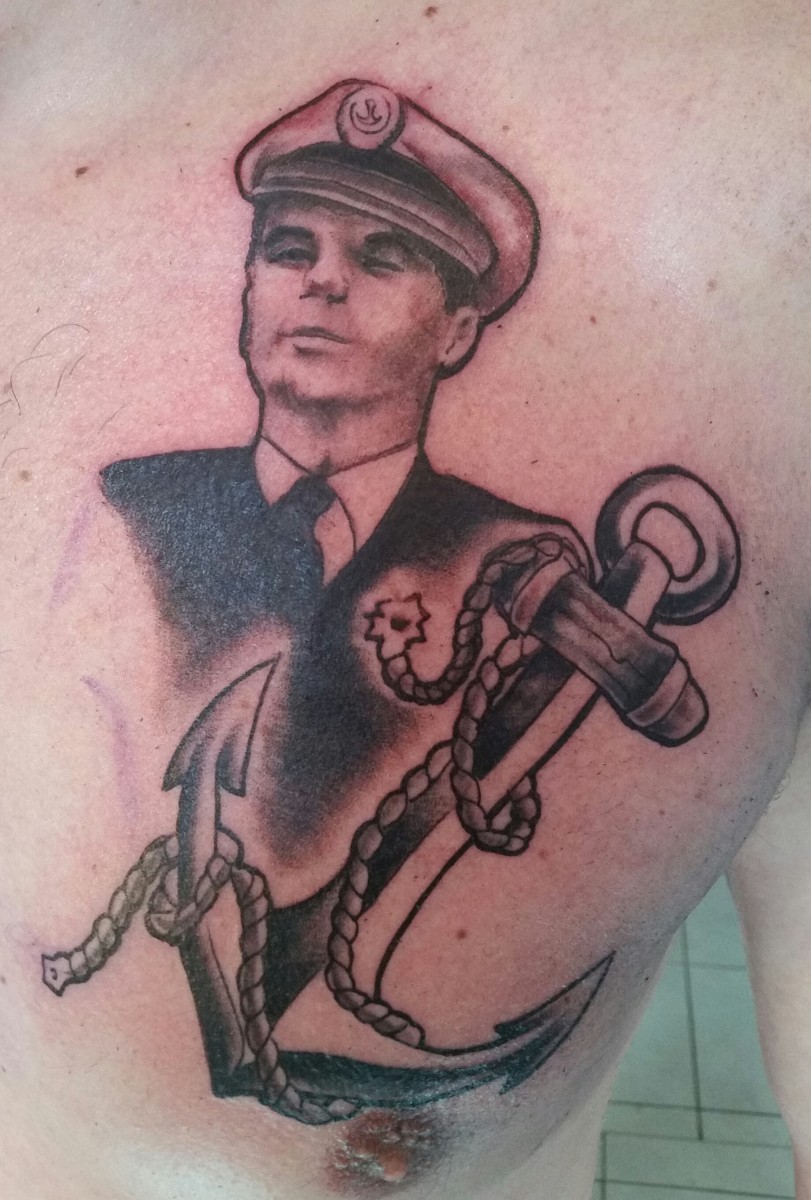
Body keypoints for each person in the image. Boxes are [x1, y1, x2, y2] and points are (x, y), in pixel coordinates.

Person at [3, 5, 811, 1199]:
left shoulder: (770, 148)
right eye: (288, 248)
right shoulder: (118, 512)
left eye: (381, 258)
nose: (321, 284)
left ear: (462, 326)